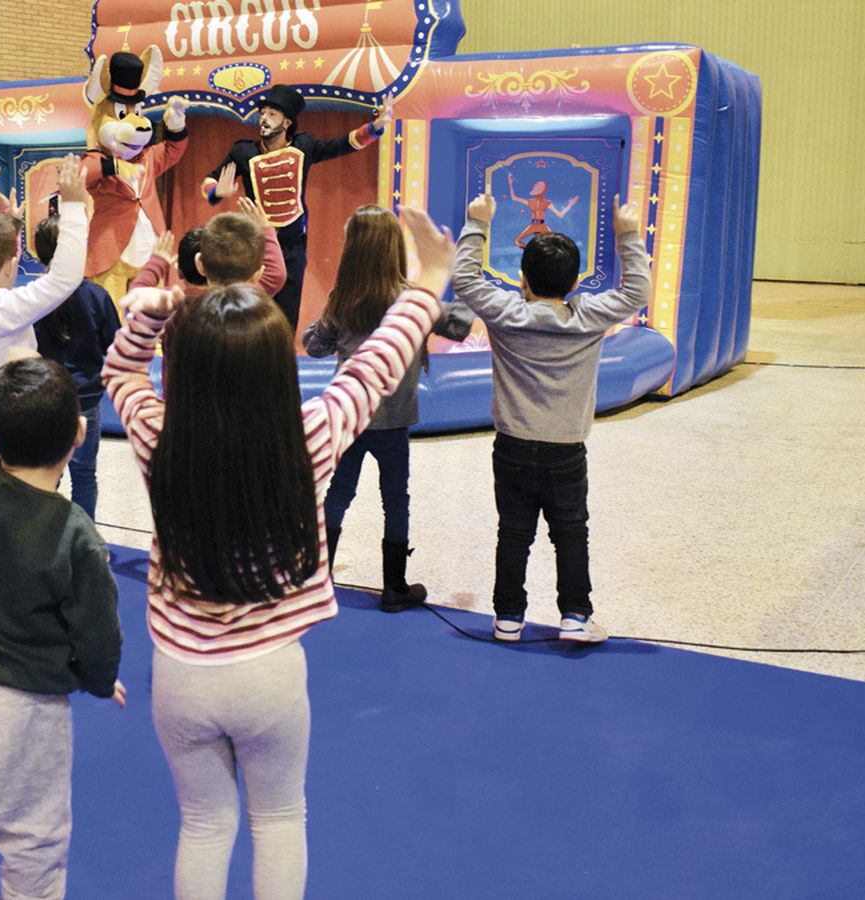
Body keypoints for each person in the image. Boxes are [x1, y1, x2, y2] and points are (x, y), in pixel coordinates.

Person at [101, 205, 451, 899]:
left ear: (187, 365)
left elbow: (120, 372)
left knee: (202, 824)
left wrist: (150, 313)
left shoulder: (158, 434)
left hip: (181, 675)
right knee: (280, 818)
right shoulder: (310, 435)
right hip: (269, 675)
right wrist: (427, 285)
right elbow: (375, 368)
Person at [0, 357, 124, 900]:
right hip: (26, 711)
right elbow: (98, 630)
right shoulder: (74, 534)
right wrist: (99, 678)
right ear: (81, 435)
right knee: (34, 840)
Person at [455, 189, 650, 644]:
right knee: (571, 532)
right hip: (566, 449)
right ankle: (575, 617)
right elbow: (636, 291)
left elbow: (465, 280)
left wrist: (477, 223)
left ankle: (507, 618)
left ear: (522, 280)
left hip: (513, 446)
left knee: (513, 532)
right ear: (575, 283)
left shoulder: (507, 313)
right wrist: (628, 234)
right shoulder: (590, 315)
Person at [302, 204, 475, 605]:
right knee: (396, 498)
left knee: (337, 494)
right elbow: (460, 325)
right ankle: (394, 587)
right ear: (395, 249)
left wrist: (330, 318)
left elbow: (313, 346)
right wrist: (454, 275)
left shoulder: (343, 299)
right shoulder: (412, 299)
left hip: (351, 417)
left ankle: (317, 578)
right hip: (394, 422)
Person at [203, 84, 392, 330]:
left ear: (287, 122)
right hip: (255, 245)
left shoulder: (304, 146)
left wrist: (375, 128)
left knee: (287, 316)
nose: (264, 119)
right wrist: (217, 191)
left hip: (293, 245)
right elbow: (209, 180)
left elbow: (343, 144)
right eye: (263, 113)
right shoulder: (243, 151)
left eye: (272, 114)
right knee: (250, 310)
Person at [0, 151, 88, 422]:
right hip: (3, 427)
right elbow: (64, 278)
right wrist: (73, 204)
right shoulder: (0, 311)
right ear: (12, 267)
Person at [32, 215, 120, 519]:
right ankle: (85, 545)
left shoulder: (31, 297)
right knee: (84, 474)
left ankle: (43, 541)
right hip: (85, 399)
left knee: (45, 476)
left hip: (44, 399)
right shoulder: (97, 297)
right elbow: (116, 345)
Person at [130, 197, 287, 300]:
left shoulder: (172, 302)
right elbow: (276, 274)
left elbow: (136, 295)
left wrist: (158, 262)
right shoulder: (245, 299)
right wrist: (266, 229)